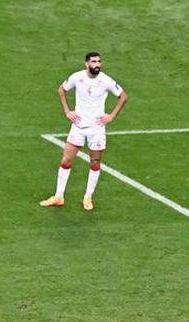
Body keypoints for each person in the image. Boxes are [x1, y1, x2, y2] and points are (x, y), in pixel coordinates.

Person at [39, 51, 128, 211]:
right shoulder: (77, 77)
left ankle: (88, 197)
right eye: (94, 62)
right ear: (86, 64)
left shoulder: (106, 80)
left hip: (97, 129)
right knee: (66, 160)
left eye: (99, 62)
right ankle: (59, 196)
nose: (97, 65)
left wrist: (111, 116)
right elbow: (61, 90)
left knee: (94, 162)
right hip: (78, 127)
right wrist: (67, 111)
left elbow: (123, 96)